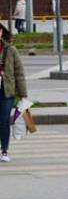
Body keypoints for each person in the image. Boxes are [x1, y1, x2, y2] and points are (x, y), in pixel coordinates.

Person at [0, 25, 27, 163]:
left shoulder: (11, 50)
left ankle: (4, 150)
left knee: (4, 121)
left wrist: (23, 94)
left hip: (6, 91)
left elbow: (19, 73)